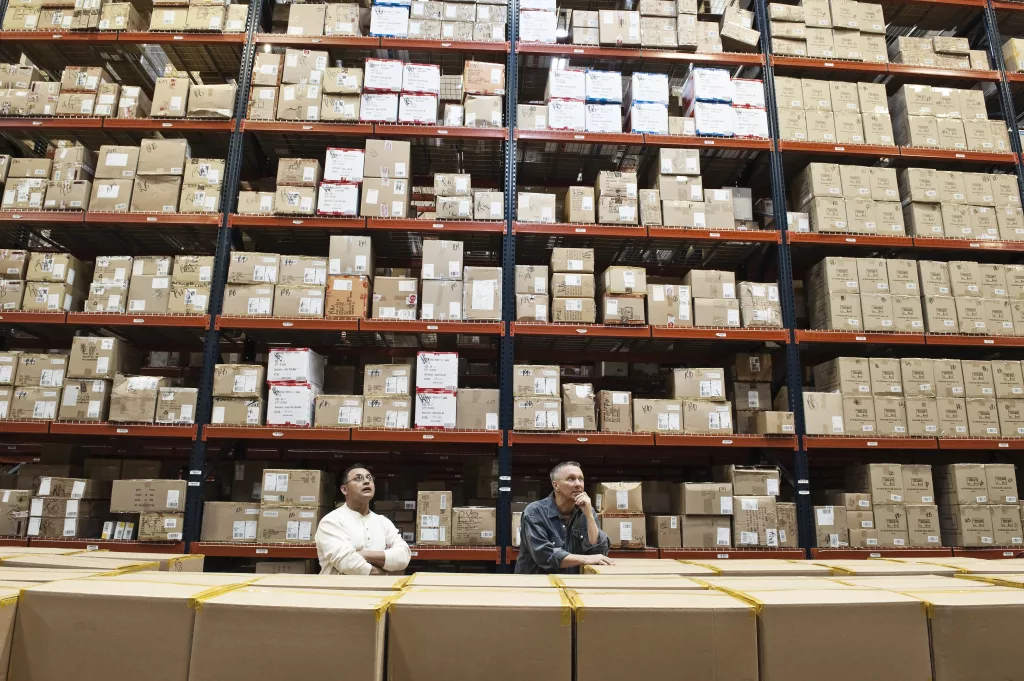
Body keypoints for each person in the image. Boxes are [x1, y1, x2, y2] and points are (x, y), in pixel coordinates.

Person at [515, 461, 613, 574]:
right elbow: (544, 555)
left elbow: (598, 551)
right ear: (556, 485)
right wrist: (585, 559)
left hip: (573, 585)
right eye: (571, 479)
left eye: (580, 479)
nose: (578, 484)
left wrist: (589, 516)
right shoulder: (535, 512)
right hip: (539, 584)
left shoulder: (586, 511)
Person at [315, 464, 411, 575]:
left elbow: (404, 556)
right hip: (341, 591)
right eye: (358, 478)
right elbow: (347, 563)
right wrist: (381, 573)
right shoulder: (331, 521)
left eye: (369, 478)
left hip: (376, 592)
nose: (366, 481)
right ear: (344, 489)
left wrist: (362, 554)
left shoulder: (382, 522)